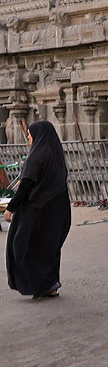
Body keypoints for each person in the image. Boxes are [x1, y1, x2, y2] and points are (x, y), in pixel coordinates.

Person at [5, 121, 71, 299]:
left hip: (38, 210)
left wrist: (11, 208)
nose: (28, 137)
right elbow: (45, 178)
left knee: (23, 245)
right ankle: (50, 285)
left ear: (38, 135)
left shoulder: (37, 155)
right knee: (49, 248)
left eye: (29, 134)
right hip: (58, 209)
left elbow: (27, 185)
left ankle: (38, 284)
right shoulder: (55, 154)